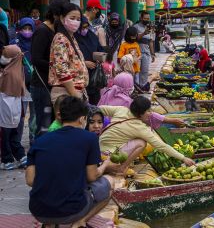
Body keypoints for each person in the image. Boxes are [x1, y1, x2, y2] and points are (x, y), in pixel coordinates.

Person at [26, 96, 116, 228]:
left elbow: (30, 180)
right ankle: (80, 222)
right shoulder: (89, 138)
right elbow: (91, 176)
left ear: (60, 116)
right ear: (82, 118)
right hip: (72, 210)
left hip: (38, 210)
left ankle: (49, 225)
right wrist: (106, 164)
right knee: (109, 183)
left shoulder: (39, 141)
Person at [99, 96, 194, 174]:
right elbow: (161, 146)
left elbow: (100, 109)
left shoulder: (121, 110)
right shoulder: (140, 128)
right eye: (148, 111)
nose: (150, 114)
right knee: (142, 143)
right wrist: (183, 158)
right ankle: (122, 168)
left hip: (98, 147)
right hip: (109, 155)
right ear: (140, 114)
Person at [31, 0, 69, 137]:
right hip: (41, 85)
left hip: (53, 84)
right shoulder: (42, 30)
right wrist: (58, 67)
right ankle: (37, 155)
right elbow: (36, 59)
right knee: (43, 124)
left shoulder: (56, 31)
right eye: (63, 16)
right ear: (55, 15)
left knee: (53, 123)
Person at [98, 73, 184, 129]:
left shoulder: (107, 92)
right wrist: (172, 120)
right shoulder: (127, 101)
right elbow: (148, 116)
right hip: (116, 129)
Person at [48, 3, 88, 104]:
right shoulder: (61, 39)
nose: (76, 22)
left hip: (75, 91)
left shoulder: (71, 38)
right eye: (72, 18)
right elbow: (62, 70)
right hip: (67, 93)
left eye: (78, 19)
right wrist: (74, 94)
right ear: (62, 18)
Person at [10, 17, 36, 143]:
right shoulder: (14, 43)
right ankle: (17, 142)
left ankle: (34, 138)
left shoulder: (37, 42)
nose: (27, 31)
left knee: (35, 114)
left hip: (35, 84)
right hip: (20, 85)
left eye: (29, 29)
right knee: (20, 114)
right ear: (19, 29)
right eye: (24, 28)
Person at [0, 45, 26, 170]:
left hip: (5, 110)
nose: (3, 58)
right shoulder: (19, 70)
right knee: (14, 134)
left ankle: (7, 160)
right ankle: (21, 156)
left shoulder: (6, 73)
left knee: (4, 135)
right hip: (16, 110)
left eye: (6, 55)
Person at [74, 16, 104, 105]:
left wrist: (100, 58)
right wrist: (83, 63)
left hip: (94, 75)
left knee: (95, 100)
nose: (85, 29)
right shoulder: (73, 38)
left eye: (87, 27)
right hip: (80, 75)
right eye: (82, 27)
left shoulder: (91, 35)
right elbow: (70, 57)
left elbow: (100, 48)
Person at [134, 11, 155, 88]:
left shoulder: (150, 28)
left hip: (146, 52)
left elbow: (151, 41)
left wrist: (153, 54)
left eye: (148, 18)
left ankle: (143, 86)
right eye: (145, 18)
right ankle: (136, 87)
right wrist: (143, 33)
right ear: (141, 18)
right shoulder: (136, 27)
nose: (147, 20)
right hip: (137, 52)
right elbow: (134, 38)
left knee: (145, 71)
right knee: (136, 71)